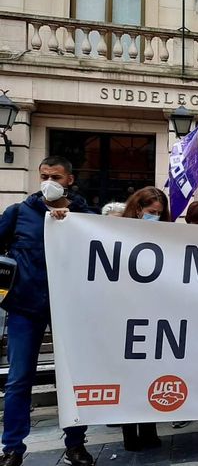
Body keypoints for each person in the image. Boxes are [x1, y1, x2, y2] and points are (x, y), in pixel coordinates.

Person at [0, 157, 94, 466]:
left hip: (68, 310)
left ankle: (76, 444)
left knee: (73, 379)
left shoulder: (85, 217)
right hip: (24, 308)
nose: (48, 182)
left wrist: (72, 222)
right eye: (44, 176)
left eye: (56, 176)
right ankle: (12, 448)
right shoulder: (18, 213)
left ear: (69, 180)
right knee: (18, 379)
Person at [119, 187, 171, 451]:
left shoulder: (167, 235)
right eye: (152, 212)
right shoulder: (117, 231)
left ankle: (149, 430)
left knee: (152, 373)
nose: (156, 217)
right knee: (129, 374)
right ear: (138, 209)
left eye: (160, 213)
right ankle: (130, 434)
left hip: (155, 313)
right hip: (126, 313)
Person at [171, 201, 198, 430]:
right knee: (183, 364)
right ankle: (183, 409)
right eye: (196, 221)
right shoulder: (176, 245)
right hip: (184, 314)